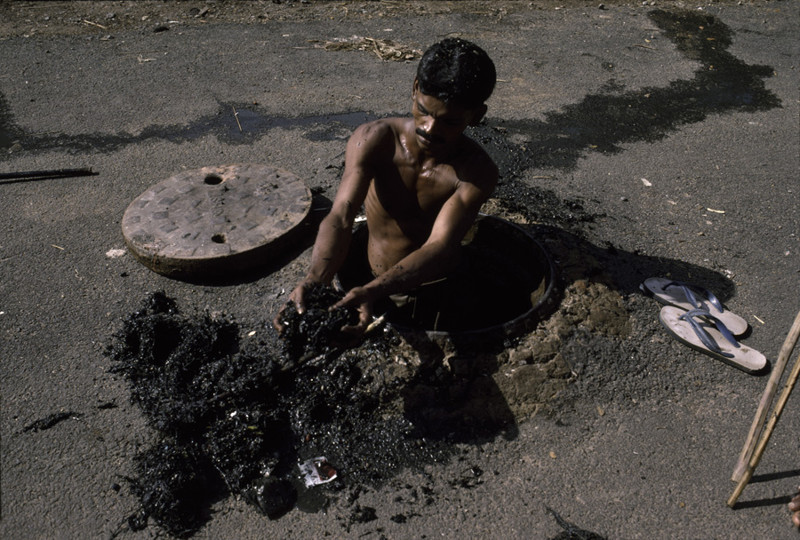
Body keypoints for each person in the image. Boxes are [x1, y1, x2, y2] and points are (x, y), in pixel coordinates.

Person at [275, 38, 498, 335]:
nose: (429, 128)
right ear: (415, 87)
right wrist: (316, 279)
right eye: (423, 110)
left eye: (450, 122)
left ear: (477, 116)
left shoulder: (476, 172)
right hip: (367, 274)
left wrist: (373, 291)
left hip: (432, 286)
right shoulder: (375, 139)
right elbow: (341, 214)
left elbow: (439, 246)